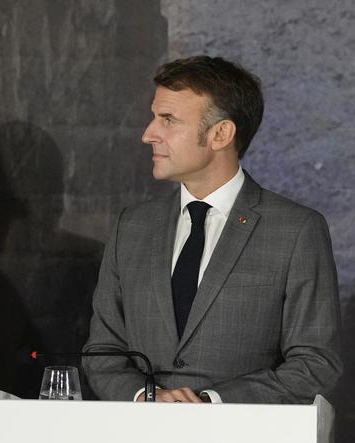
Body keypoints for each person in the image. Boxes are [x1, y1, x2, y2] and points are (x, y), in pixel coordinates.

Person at [84, 55, 341, 404]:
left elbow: (315, 362)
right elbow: (103, 351)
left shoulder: (295, 230)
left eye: (168, 120)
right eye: (153, 117)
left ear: (221, 133)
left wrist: (211, 402)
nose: (148, 134)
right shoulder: (132, 227)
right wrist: (144, 397)